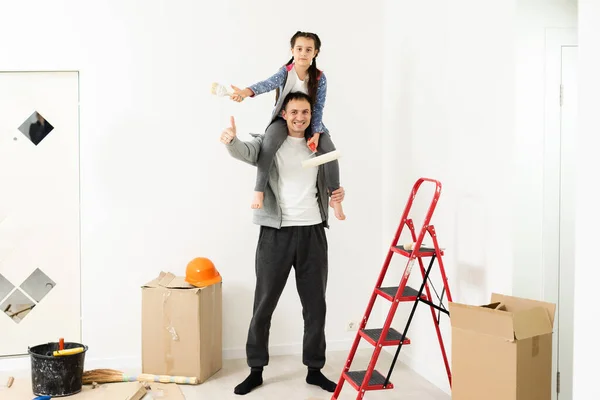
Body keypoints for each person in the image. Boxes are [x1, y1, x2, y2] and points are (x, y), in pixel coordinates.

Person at [220, 91, 344, 395]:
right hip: (275, 233)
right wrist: (231, 142)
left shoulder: (319, 145)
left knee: (315, 306)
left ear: (311, 114)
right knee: (263, 306)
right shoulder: (271, 142)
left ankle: (314, 369)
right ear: (284, 114)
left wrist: (338, 195)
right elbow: (247, 152)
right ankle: (256, 369)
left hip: (313, 232)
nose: (299, 118)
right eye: (294, 112)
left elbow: (331, 179)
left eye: (305, 112)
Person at [229, 31, 346, 221]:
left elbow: (318, 107)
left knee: (330, 153)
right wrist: (245, 92)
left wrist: (315, 133)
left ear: (315, 53)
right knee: (268, 145)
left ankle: (335, 197)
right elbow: (266, 84)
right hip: (286, 118)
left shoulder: (319, 78)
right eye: (299, 49)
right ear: (292, 50)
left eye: (308, 50)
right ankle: (259, 190)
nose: (303, 53)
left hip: (310, 120)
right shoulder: (286, 72)